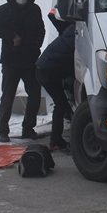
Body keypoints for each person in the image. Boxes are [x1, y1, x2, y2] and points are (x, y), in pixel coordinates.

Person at [0, 0, 46, 142]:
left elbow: (41, 29)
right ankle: (2, 131)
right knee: (8, 95)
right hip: (10, 61)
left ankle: (28, 128)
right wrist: (11, 36)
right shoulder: (3, 11)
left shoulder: (35, 10)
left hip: (30, 60)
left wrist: (36, 46)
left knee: (34, 94)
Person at [36, 17, 76, 151]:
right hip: (47, 73)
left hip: (45, 70)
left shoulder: (71, 32)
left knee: (62, 105)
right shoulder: (75, 37)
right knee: (61, 105)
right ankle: (56, 140)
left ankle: (57, 139)